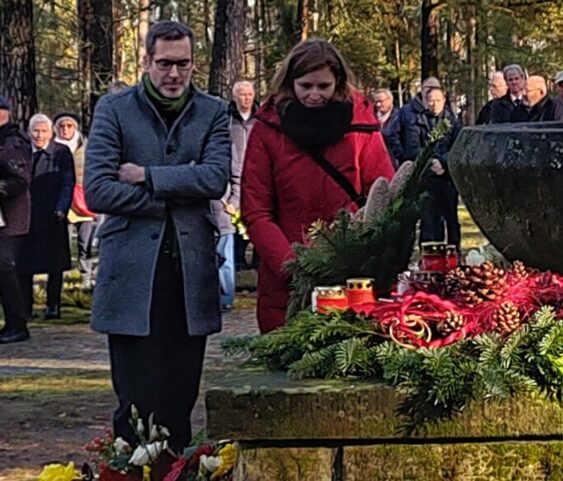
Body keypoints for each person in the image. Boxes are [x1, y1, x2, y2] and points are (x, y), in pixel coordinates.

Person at [85, 21, 230, 451]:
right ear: (146, 62)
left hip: (189, 278)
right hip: (131, 277)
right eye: (164, 63)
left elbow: (216, 178)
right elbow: (98, 189)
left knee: (179, 401)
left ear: (193, 64)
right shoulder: (114, 110)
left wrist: (146, 176)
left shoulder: (213, 111)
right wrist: (176, 189)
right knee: (134, 402)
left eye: (182, 64)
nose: (173, 74)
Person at [241, 38, 394, 334]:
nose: (314, 95)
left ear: (337, 83)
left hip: (352, 273)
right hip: (286, 277)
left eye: (323, 87)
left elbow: (380, 196)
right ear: (290, 82)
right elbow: (256, 209)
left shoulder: (361, 127)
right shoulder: (267, 129)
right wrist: (292, 265)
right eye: (305, 86)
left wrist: (362, 252)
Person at [16, 114, 74, 322]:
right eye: (36, 131)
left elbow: (68, 182)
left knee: (54, 264)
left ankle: (53, 306)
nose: (39, 136)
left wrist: (62, 208)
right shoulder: (22, 151)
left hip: (52, 214)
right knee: (23, 264)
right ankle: (26, 307)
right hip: (25, 214)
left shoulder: (61, 152)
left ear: (51, 133)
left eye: (43, 131)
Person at [403, 86, 462, 250]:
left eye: (438, 100)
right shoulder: (416, 122)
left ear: (444, 101)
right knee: (428, 220)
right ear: (425, 101)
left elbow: (458, 147)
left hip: (447, 177)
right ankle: (428, 257)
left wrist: (443, 162)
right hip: (426, 178)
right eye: (430, 100)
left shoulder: (454, 123)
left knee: (451, 218)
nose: (434, 104)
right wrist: (431, 162)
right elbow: (413, 149)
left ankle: (454, 255)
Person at [215, 80, 255, 309]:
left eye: (250, 94)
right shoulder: (226, 121)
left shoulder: (261, 119)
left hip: (253, 179)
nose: (246, 98)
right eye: (242, 94)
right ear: (234, 96)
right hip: (228, 187)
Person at [0, 96, 32, 344]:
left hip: (11, 216)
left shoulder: (11, 142)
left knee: (5, 268)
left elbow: (20, 180)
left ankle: (17, 325)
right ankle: (12, 323)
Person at [54, 112, 97, 289]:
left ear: (76, 127)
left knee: (84, 242)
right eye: (62, 126)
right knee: (61, 242)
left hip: (84, 201)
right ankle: (61, 280)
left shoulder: (89, 147)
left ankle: (86, 277)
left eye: (69, 126)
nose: (65, 130)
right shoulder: (53, 148)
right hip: (61, 201)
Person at [384, 77, 441, 165]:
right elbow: (392, 135)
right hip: (411, 166)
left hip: (438, 167)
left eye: (436, 88)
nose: (431, 90)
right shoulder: (405, 111)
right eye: (429, 87)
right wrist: (402, 155)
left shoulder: (446, 114)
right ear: (422, 89)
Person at [373, 88, 399, 167]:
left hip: (393, 162)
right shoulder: (371, 117)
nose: (378, 105)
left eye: (381, 101)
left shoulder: (399, 117)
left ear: (390, 100)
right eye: (376, 102)